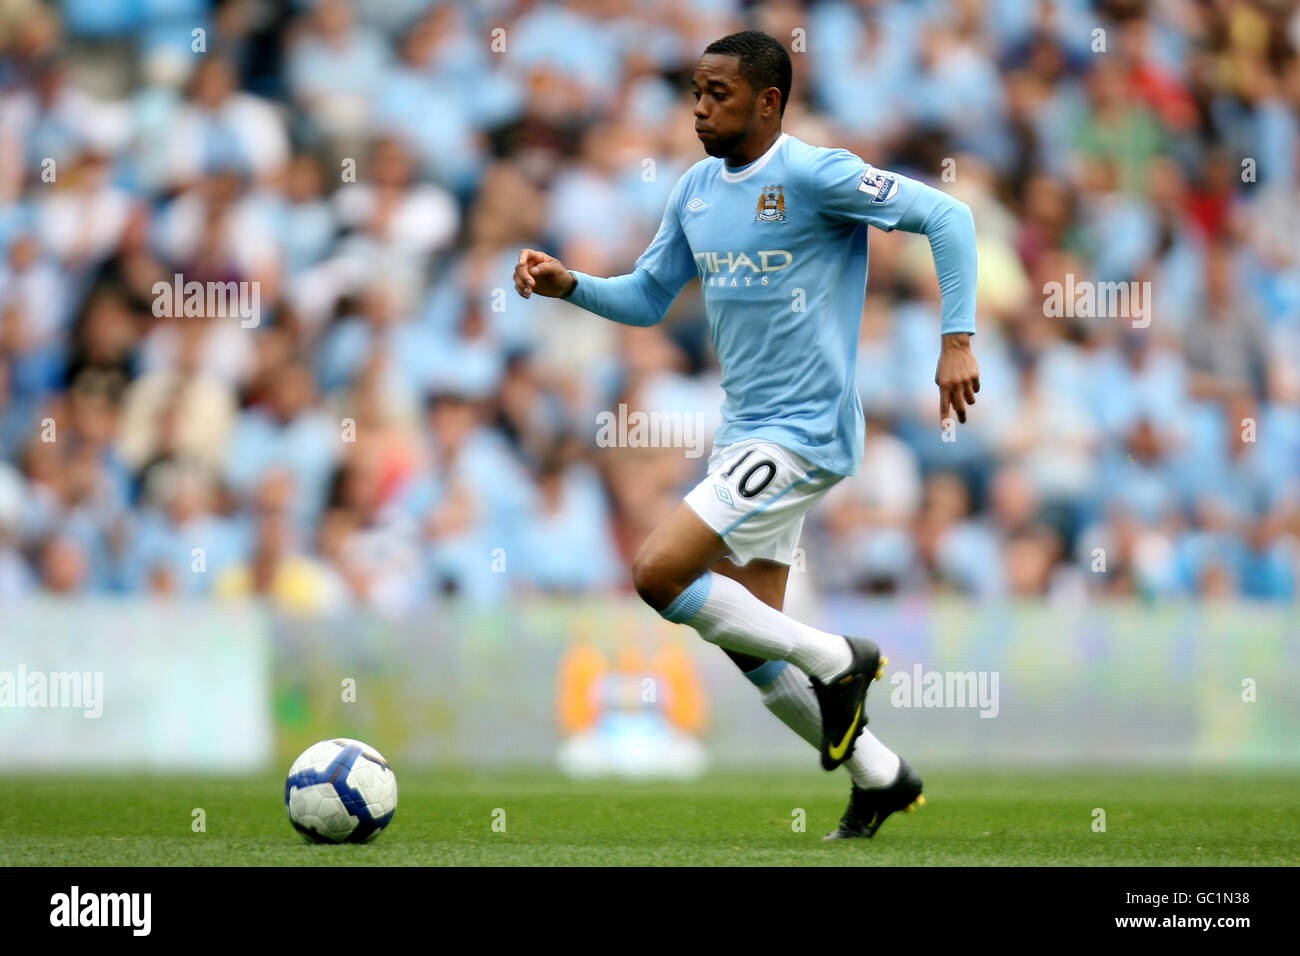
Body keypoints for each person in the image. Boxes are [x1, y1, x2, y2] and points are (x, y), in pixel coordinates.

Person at [515, 31, 980, 839]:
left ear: (767, 101)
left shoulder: (814, 173)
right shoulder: (695, 188)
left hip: (805, 431)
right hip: (745, 433)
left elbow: (948, 215)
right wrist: (571, 287)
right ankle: (881, 776)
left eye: (717, 94)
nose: (699, 107)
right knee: (754, 644)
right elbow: (650, 298)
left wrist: (957, 339)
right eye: (695, 91)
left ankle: (843, 660)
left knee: (659, 573)